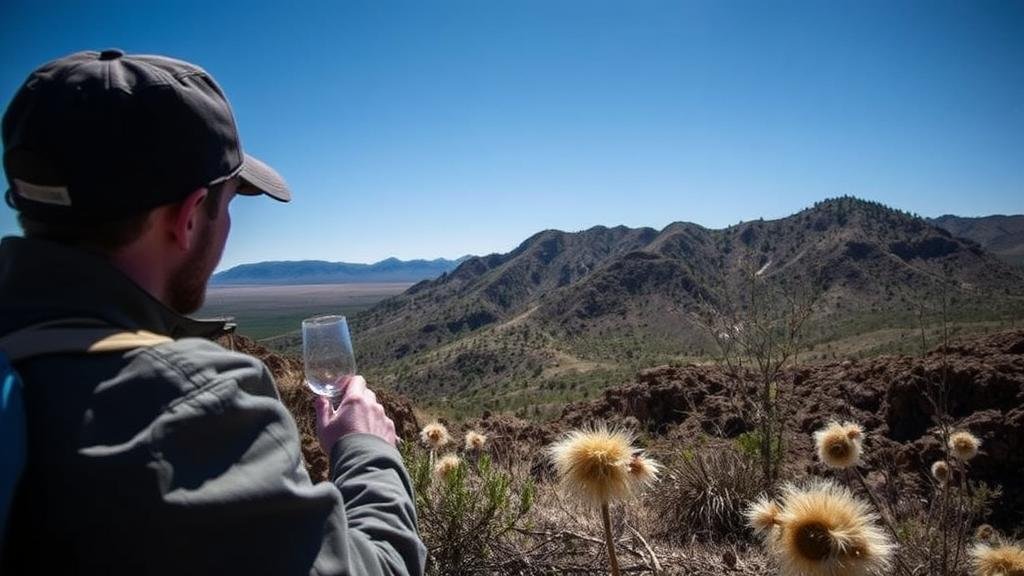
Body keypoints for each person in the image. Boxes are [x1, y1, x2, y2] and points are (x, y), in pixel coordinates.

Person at [0, 50, 426, 575]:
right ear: (186, 219)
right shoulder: (190, 404)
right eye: (225, 207)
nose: (225, 228)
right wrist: (367, 450)